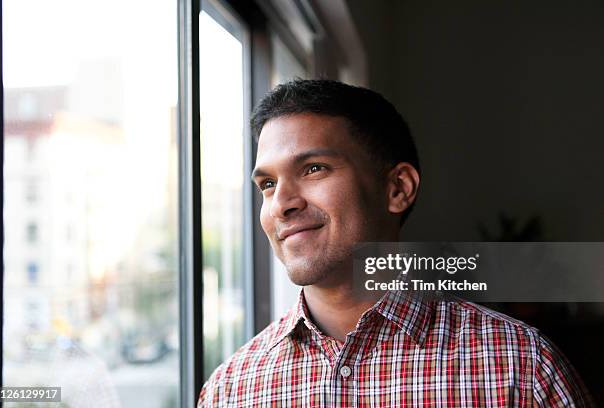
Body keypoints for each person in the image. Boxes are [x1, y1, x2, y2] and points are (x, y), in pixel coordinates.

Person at [198, 79, 592, 407]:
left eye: (313, 169)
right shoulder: (229, 390)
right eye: (268, 185)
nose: (281, 204)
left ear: (397, 189)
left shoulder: (522, 368)